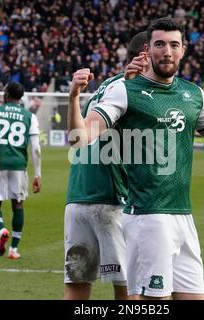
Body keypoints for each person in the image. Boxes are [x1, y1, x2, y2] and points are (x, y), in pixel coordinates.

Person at [68, 17, 204, 300]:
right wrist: (73, 97)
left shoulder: (193, 94)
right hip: (147, 217)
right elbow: (81, 137)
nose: (167, 51)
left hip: (183, 217)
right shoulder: (126, 90)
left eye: (173, 44)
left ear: (183, 50)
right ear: (148, 50)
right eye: (160, 44)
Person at [64, 31, 148, 300]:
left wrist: (73, 96)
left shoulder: (105, 88)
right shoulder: (133, 88)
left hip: (77, 198)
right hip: (111, 199)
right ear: (146, 54)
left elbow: (78, 137)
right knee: (128, 291)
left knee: (77, 288)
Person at [0, 81, 41, 259]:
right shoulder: (29, 116)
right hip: (19, 165)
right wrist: (38, 174)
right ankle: (13, 250)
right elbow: (35, 148)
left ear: (7, 94)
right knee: (18, 204)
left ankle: (2, 229)